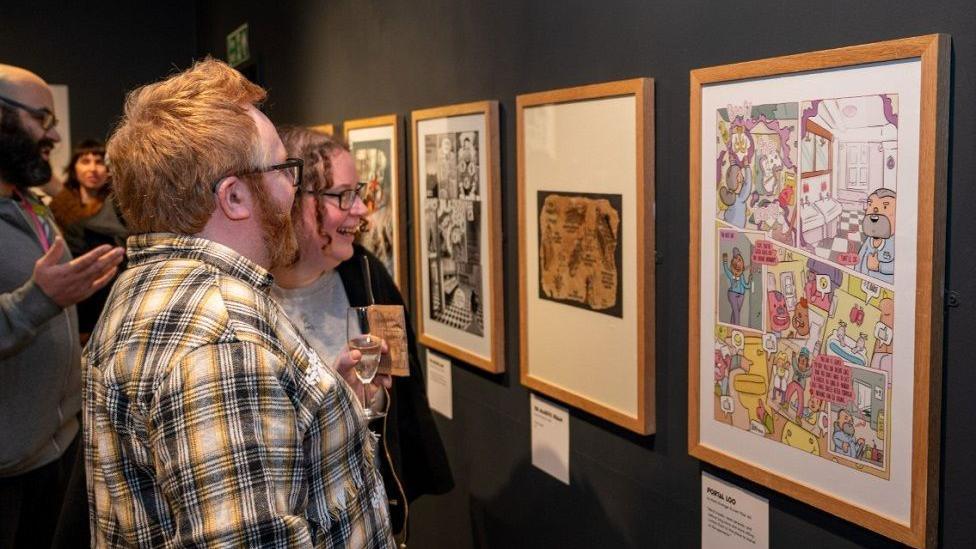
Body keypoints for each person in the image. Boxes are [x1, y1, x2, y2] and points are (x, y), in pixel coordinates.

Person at [84, 59, 394, 547]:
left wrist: (331, 417)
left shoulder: (146, 286)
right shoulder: (222, 341)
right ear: (233, 198)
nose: (294, 188)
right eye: (284, 169)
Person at [272, 126, 454, 545]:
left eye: (360, 193)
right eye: (343, 196)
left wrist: (373, 398)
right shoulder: (248, 299)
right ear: (293, 199)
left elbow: (400, 390)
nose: (361, 210)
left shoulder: (370, 276)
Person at [0, 64, 124, 548]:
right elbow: (35, 305)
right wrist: (39, 301)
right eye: (42, 118)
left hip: (58, 456)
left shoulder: (32, 206)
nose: (54, 133)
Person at [49, 139, 128, 340]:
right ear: (74, 167)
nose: (93, 169)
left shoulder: (121, 210)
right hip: (69, 307)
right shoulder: (56, 209)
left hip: (110, 305)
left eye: (99, 161)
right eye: (85, 161)